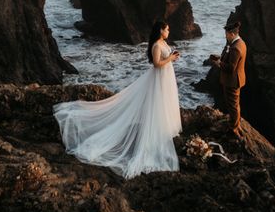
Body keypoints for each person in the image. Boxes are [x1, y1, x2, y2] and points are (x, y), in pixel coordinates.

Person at [53, 20, 182, 179]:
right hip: (159, 79)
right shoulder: (156, 45)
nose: (169, 31)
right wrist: (170, 58)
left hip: (166, 78)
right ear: (160, 30)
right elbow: (156, 64)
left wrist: (171, 57)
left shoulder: (163, 42)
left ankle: (162, 133)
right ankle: (151, 140)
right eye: (167, 29)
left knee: (164, 106)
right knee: (157, 106)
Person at [210, 20, 246, 139]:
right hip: (237, 79)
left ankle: (233, 127)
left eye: (226, 34)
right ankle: (236, 124)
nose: (225, 36)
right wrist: (222, 58)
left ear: (232, 34)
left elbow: (231, 68)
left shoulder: (235, 48)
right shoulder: (241, 43)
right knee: (235, 103)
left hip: (232, 80)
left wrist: (219, 63)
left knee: (233, 105)